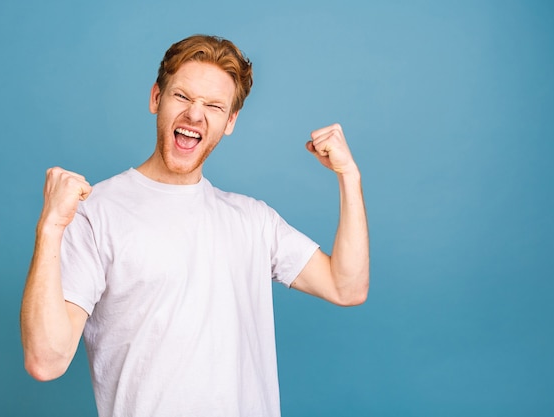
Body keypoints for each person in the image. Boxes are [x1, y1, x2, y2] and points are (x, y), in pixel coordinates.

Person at [20, 34, 369, 417]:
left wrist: (349, 176)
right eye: (182, 97)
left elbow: (346, 286)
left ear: (230, 121)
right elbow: (46, 361)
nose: (195, 115)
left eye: (214, 106)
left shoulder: (252, 220)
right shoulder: (95, 212)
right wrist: (50, 227)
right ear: (156, 98)